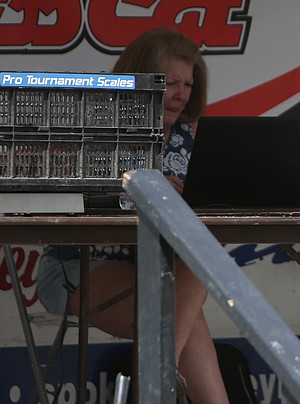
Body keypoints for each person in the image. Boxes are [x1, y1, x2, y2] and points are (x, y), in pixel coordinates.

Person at [36, 27, 230, 404]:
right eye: (171, 82)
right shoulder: (92, 126)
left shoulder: (189, 139)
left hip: (160, 269)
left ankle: (155, 380)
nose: (181, 95)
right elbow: (59, 196)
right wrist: (135, 190)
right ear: (138, 78)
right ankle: (156, 381)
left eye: (188, 84)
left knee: (195, 273)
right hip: (77, 264)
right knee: (177, 309)